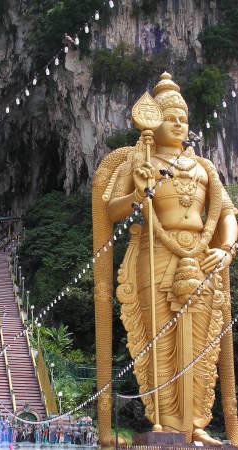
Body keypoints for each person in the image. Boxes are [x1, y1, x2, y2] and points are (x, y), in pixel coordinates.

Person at [93, 72, 238, 446]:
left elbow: (226, 215)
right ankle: (165, 423)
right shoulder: (139, 163)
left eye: (183, 119)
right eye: (170, 117)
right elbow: (110, 210)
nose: (178, 124)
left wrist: (224, 249)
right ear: (153, 122)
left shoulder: (205, 167)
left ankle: (196, 424)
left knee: (204, 341)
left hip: (202, 255)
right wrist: (138, 198)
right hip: (155, 253)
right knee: (158, 340)